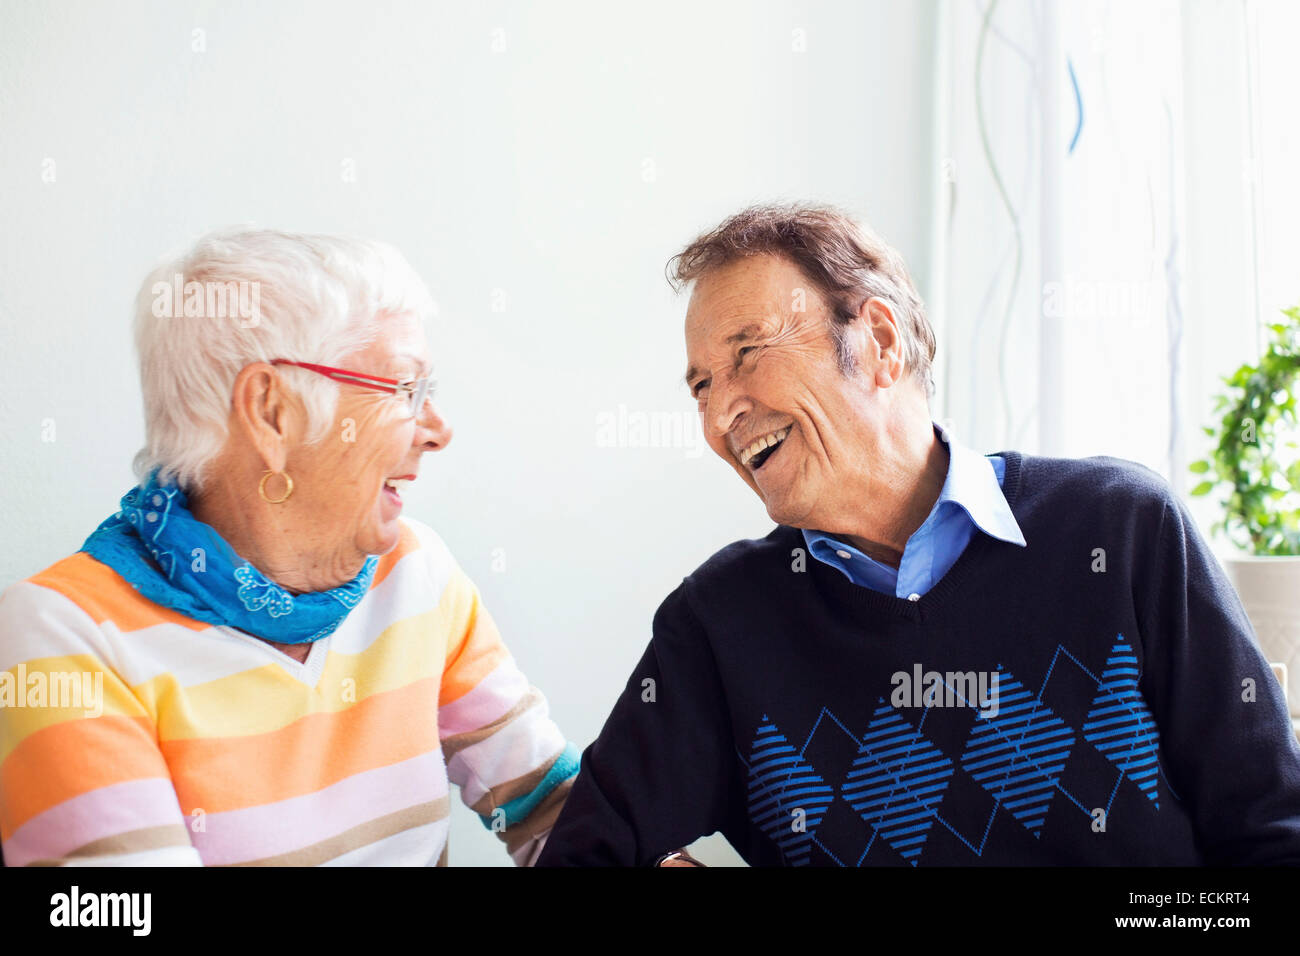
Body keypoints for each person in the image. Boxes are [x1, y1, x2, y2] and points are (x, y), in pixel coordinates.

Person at [538, 202, 1300, 866]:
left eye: (747, 353)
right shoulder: (718, 623)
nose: (719, 415)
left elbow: (1272, 835)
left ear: (878, 340)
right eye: (701, 386)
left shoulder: (1121, 529)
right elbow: (583, 853)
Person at [0, 228, 577, 866]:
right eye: (406, 390)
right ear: (272, 412)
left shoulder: (412, 572)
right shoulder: (61, 636)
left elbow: (552, 812)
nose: (438, 431)